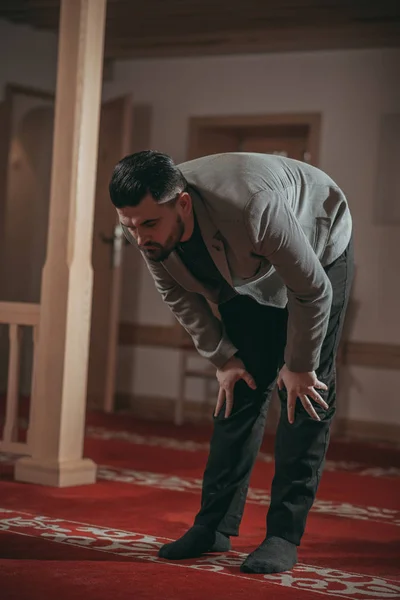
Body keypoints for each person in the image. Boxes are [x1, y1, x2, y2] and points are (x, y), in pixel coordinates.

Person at [109, 150, 353, 574]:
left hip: (319, 249)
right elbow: (176, 295)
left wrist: (298, 364)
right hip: (242, 273)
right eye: (130, 226)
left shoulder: (252, 208)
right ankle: (214, 527)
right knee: (238, 386)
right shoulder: (142, 223)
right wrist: (224, 358)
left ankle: (283, 535)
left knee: (305, 396)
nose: (140, 236)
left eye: (149, 224)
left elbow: (311, 292)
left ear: (182, 204)